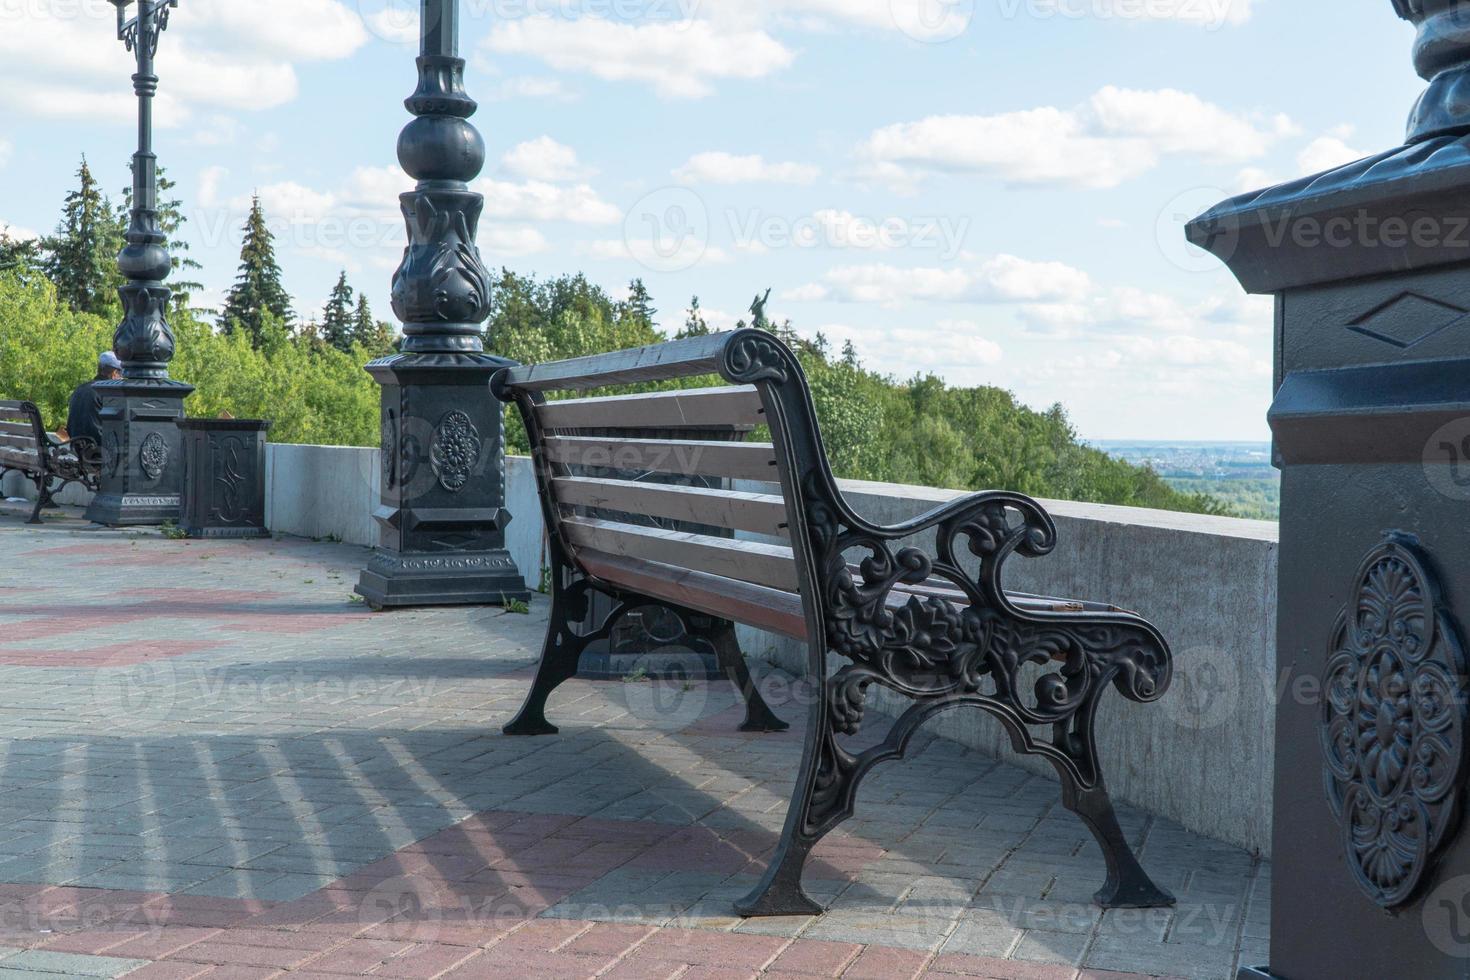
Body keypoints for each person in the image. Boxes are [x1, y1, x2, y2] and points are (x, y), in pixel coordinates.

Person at [65, 352, 121, 446]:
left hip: (78, 448)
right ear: (114, 373)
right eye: (121, 374)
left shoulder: (80, 389)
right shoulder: (109, 392)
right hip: (98, 451)